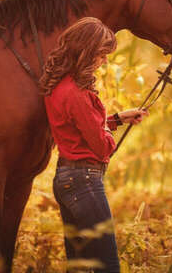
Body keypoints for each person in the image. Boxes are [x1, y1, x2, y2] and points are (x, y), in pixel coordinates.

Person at [39, 17, 149, 272]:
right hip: (85, 181)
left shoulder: (59, 85)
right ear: (86, 52)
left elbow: (77, 129)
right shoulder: (78, 94)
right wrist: (108, 134)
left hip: (66, 180)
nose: (104, 61)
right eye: (101, 54)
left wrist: (118, 119)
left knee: (80, 267)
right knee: (107, 266)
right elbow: (102, 146)